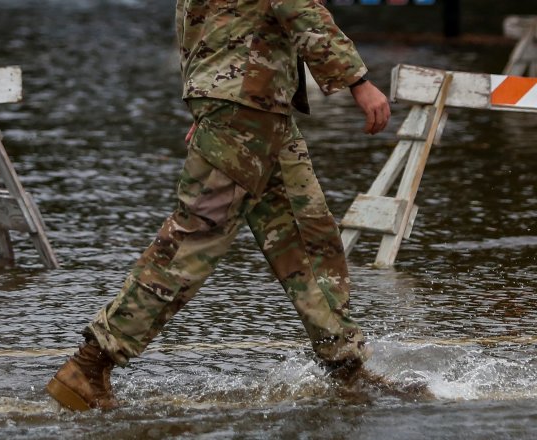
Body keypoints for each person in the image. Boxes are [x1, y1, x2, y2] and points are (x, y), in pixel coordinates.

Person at [47, 0, 391, 411]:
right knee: (194, 241)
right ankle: (90, 364)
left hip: (255, 106)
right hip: (245, 106)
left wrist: (209, 97)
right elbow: (296, 4)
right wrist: (358, 80)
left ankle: (346, 368)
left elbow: (195, 17)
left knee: (307, 234)